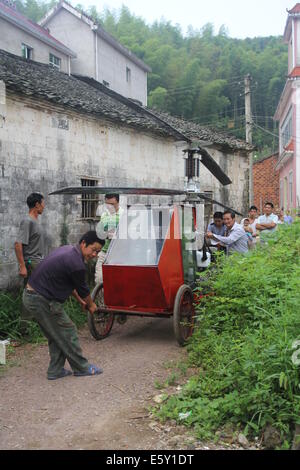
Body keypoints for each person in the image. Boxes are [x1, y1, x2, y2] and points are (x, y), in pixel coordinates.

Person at [22, 231, 105, 380]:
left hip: (33, 297)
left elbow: (70, 283)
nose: (95, 255)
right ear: (83, 243)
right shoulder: (77, 263)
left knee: (56, 333)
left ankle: (55, 370)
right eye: (93, 250)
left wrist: (81, 301)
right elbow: (83, 289)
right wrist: (91, 305)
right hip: (41, 299)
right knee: (68, 331)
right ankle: (81, 367)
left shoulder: (68, 250)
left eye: (98, 252)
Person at [14, 193, 45, 286]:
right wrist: (22, 266)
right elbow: (17, 244)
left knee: (37, 292)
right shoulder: (27, 221)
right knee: (31, 292)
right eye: (43, 204)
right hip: (31, 263)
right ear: (37, 205)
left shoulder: (35, 221)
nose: (44, 207)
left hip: (37, 262)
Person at [95, 194, 120, 285]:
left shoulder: (124, 214)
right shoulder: (104, 215)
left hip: (119, 254)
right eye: (107, 204)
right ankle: (101, 299)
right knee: (99, 280)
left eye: (112, 204)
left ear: (118, 202)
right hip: (105, 252)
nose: (109, 207)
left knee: (117, 282)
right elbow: (103, 231)